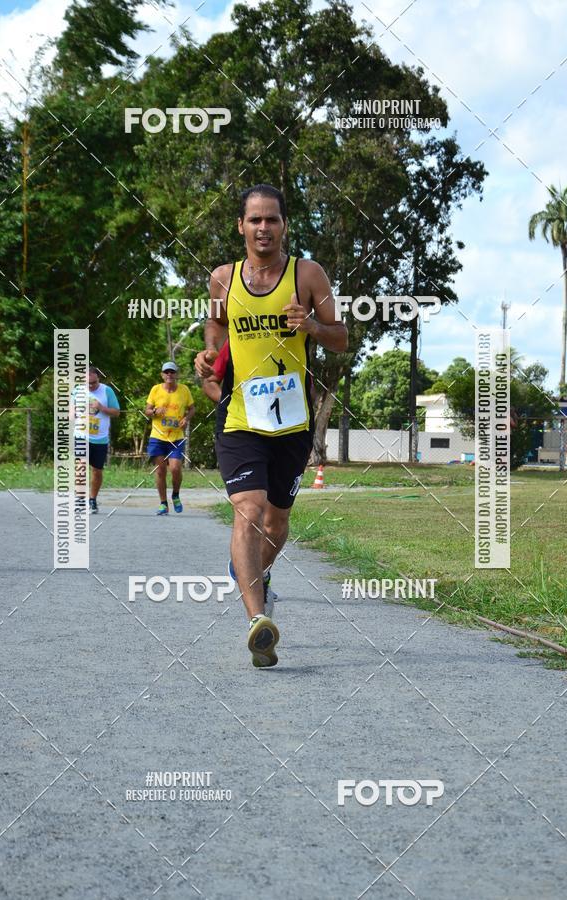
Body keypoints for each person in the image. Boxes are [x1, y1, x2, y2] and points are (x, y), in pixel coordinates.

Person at [195, 183, 348, 667]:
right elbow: (216, 330)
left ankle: (252, 576)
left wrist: (312, 328)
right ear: (241, 226)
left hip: (292, 422)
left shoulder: (307, 274)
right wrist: (208, 361)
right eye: (255, 220)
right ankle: (258, 622)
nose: (264, 228)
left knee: (277, 521)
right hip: (240, 416)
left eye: (272, 219)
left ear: (284, 225)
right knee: (249, 510)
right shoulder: (223, 278)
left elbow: (341, 338)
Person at [145, 362, 195, 515]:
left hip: (176, 437)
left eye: (172, 372)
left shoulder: (184, 390)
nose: (169, 375)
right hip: (158, 436)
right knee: (160, 471)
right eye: (166, 372)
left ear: (176, 374)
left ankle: (175, 495)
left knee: (175, 468)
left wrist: (186, 419)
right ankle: (163, 503)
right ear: (162, 375)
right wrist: (154, 411)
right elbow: (146, 410)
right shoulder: (156, 389)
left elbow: (192, 408)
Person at [70, 366, 121, 514]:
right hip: (81, 434)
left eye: (93, 382)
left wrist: (101, 407)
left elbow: (116, 412)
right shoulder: (77, 391)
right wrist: (73, 415)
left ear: (98, 379)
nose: (90, 386)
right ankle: (80, 500)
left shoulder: (107, 391)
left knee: (97, 471)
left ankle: (92, 499)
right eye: (88, 383)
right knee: (81, 464)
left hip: (100, 438)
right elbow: (70, 414)